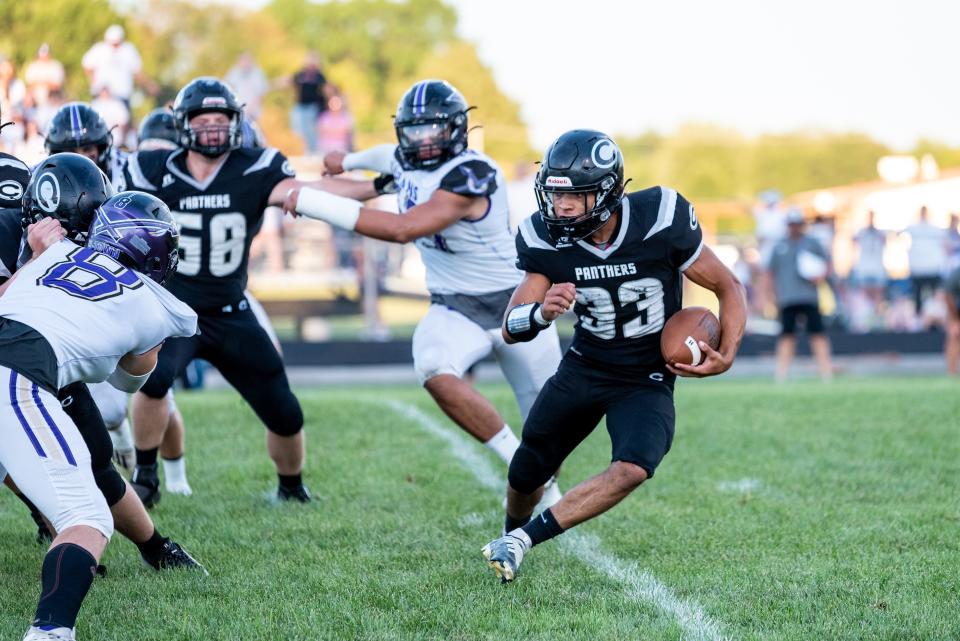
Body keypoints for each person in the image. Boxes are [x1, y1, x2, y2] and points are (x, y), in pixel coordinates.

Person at [474, 129, 746, 582]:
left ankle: (523, 541)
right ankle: (510, 538)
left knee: (635, 466)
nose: (560, 207)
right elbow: (511, 324)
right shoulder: (544, 236)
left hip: (646, 376)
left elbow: (727, 286)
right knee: (526, 472)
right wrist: (541, 313)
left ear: (604, 193)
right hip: (586, 365)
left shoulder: (660, 218)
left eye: (574, 197)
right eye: (555, 195)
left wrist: (729, 352)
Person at [288, 80, 563, 495]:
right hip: (456, 307)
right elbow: (388, 158)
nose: (424, 141)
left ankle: (546, 481)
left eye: (433, 130)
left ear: (457, 129)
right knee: (434, 365)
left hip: (518, 304)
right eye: (415, 131)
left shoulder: (475, 172)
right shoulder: (406, 162)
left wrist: (313, 201)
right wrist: (346, 160)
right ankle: (514, 456)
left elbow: (403, 229)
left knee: (551, 429)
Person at [121, 77, 338, 506]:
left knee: (284, 410)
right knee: (153, 381)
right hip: (173, 310)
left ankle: (291, 488)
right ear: (182, 124)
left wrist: (373, 187)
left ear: (237, 123)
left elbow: (309, 193)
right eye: (204, 120)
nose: (214, 128)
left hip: (231, 308)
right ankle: (147, 475)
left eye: (222, 119)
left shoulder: (256, 167)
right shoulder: (152, 170)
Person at [0, 189, 198, 640]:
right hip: (18, 374)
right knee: (87, 517)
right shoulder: (155, 304)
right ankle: (49, 634)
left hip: (16, 358)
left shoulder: (53, 254)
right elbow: (129, 382)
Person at [767, 209, 833, 382]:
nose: (794, 228)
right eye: (791, 224)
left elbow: (828, 264)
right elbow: (770, 272)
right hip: (787, 298)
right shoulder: (780, 245)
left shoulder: (812, 243)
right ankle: (781, 373)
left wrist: (820, 276)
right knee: (786, 335)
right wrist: (768, 296)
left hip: (809, 296)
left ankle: (826, 372)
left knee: (817, 334)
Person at [44, 102, 125, 190]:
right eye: (71, 152)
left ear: (101, 149)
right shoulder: (39, 174)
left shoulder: (123, 167)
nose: (81, 157)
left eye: (87, 149)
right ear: (56, 152)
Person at [81, 25, 156, 111]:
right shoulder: (99, 49)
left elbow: (137, 71)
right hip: (102, 96)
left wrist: (149, 85)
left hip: (122, 95)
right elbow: (87, 66)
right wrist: (94, 82)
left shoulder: (128, 50)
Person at [903, 206, 946, 316]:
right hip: (918, 270)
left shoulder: (935, 229)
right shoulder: (914, 228)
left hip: (932, 269)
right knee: (918, 297)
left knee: (935, 298)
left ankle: (934, 317)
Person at [851, 211, 888, 320]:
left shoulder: (880, 233)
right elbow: (853, 241)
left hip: (877, 267)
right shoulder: (861, 232)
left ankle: (877, 316)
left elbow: (885, 241)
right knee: (864, 293)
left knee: (878, 293)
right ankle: (865, 315)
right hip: (864, 267)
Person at [289, 52, 328, 154]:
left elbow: (326, 90)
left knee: (310, 131)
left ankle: (311, 152)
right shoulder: (300, 74)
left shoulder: (320, 76)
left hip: (313, 106)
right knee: (298, 129)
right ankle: (304, 150)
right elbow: (290, 82)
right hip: (300, 106)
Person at [224, 52, 270, 122]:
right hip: (237, 109)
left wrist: (252, 109)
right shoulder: (235, 72)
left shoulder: (258, 74)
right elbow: (228, 87)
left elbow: (260, 94)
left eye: (248, 61)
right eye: (243, 61)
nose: (245, 63)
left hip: (252, 112)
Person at [24, 44, 65, 109]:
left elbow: (57, 85)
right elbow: (29, 85)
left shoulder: (56, 66)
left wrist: (41, 83)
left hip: (52, 101)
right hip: (35, 103)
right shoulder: (33, 66)